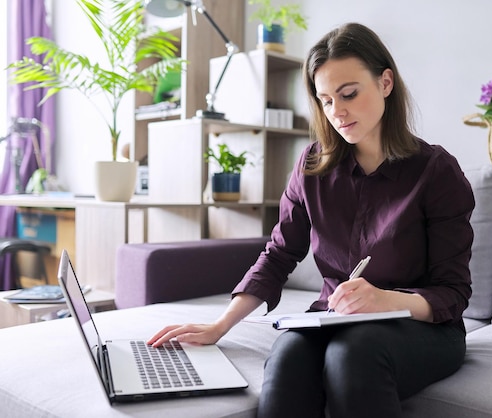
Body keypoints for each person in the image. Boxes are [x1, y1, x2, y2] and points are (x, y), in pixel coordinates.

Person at [149, 22, 475, 418]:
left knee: (354, 353)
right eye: (325, 100)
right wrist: (220, 325)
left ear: (385, 82)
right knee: (288, 355)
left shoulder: (436, 171)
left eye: (349, 94)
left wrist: (386, 300)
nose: (337, 111)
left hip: (425, 328)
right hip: (335, 319)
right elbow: (279, 253)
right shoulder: (312, 167)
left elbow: (453, 294)